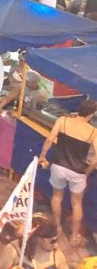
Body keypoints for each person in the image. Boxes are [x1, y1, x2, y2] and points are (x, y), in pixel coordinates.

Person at [38, 98, 97, 247]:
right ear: (91, 115)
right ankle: (74, 236)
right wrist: (88, 171)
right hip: (78, 171)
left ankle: (57, 227)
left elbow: (50, 139)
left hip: (59, 165)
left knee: (57, 197)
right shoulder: (93, 132)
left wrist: (42, 156)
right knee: (77, 204)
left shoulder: (63, 120)